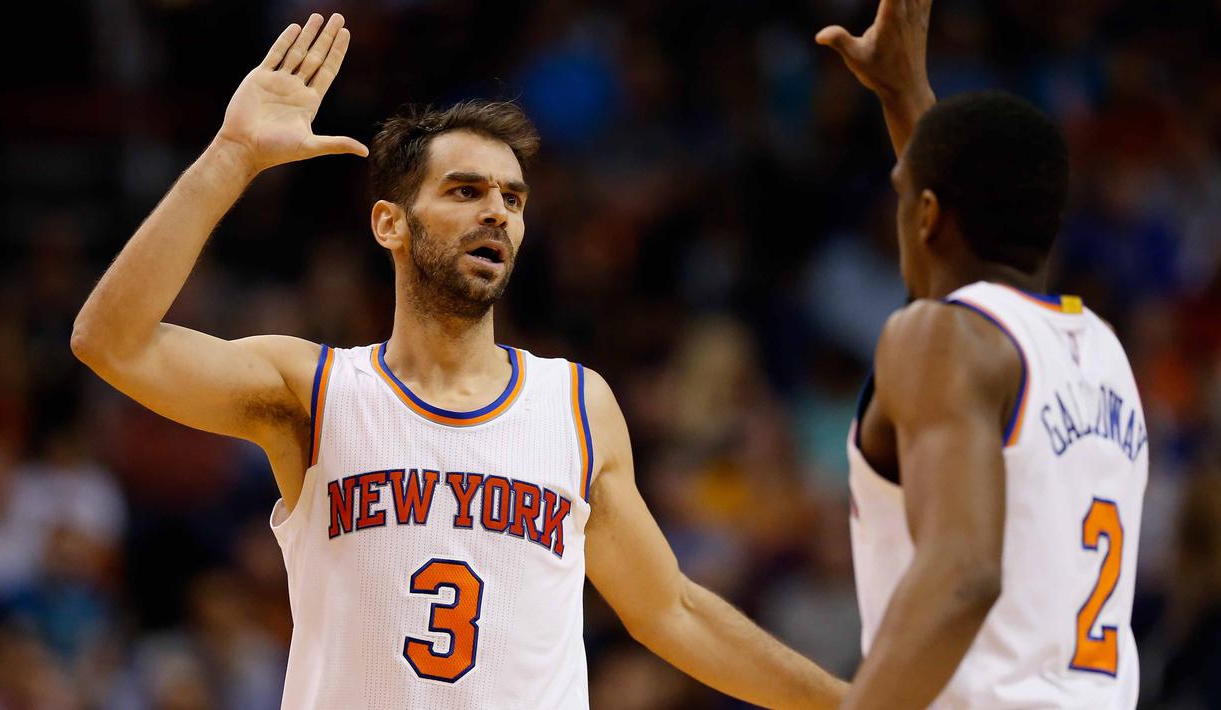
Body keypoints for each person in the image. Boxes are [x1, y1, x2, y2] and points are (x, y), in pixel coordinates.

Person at [70, 13, 847, 710]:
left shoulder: (574, 404)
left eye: (512, 199)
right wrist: (232, 157)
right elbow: (112, 341)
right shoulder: (314, 390)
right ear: (389, 224)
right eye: (465, 190)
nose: (496, 214)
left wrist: (849, 701)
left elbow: (669, 610)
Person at [815, 1, 1147, 708]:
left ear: (928, 215)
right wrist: (907, 97)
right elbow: (974, 267)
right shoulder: (1102, 353)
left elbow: (961, 574)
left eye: (904, 197)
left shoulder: (937, 336)